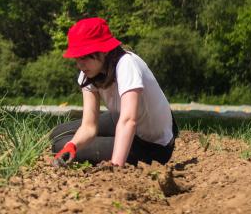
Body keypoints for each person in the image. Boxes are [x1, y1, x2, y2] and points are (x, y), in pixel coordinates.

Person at [51, 18, 178, 166]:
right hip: (122, 120)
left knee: (58, 145)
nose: (80, 64)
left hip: (152, 145)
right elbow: (89, 127)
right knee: (58, 135)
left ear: (103, 50)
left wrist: (115, 168)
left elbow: (129, 121)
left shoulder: (126, 64)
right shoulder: (88, 73)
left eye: (85, 57)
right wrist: (72, 146)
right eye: (76, 58)